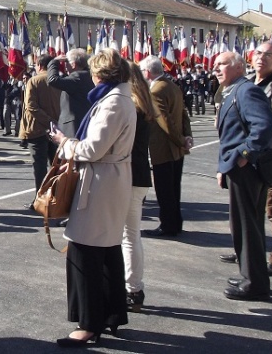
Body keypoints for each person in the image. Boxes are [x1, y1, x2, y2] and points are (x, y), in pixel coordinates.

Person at [49, 49, 136, 347]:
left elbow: (93, 149)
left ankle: (89, 323)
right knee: (107, 249)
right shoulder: (120, 99)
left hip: (101, 181)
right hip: (109, 178)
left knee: (85, 251)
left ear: (101, 74)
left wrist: (64, 143)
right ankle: (110, 315)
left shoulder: (113, 103)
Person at [219, 42, 272, 276]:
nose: (262, 58)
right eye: (258, 54)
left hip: (269, 161)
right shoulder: (245, 85)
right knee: (247, 213)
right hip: (248, 163)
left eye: (269, 55)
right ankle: (244, 253)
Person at [213, 51, 272, 301]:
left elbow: (263, 126)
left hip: (247, 170)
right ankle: (251, 275)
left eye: (222, 64)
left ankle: (255, 284)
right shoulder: (234, 90)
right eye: (215, 64)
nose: (216, 68)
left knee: (246, 226)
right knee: (246, 225)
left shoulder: (245, 90)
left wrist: (244, 154)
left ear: (239, 67)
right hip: (237, 168)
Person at [140, 55, 191, 237]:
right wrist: (186, 137)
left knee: (165, 190)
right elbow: (183, 114)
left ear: (147, 72)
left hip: (164, 148)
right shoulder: (172, 86)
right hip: (176, 149)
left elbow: (165, 122)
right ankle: (175, 223)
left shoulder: (156, 91)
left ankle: (168, 225)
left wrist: (181, 140)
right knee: (174, 189)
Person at [122, 62, 155, 312]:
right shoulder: (144, 104)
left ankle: (133, 288)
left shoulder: (130, 106)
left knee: (128, 237)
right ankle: (134, 288)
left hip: (129, 175)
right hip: (140, 174)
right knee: (132, 236)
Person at [19, 55, 61, 193]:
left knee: (40, 167)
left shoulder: (34, 81)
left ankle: (41, 197)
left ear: (39, 65)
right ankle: (56, 195)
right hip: (56, 130)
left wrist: (48, 120)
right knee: (56, 166)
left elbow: (31, 106)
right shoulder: (58, 81)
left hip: (37, 129)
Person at [47, 48, 94, 138]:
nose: (65, 66)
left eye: (66, 63)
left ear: (73, 64)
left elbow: (52, 80)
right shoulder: (87, 75)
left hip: (73, 126)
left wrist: (54, 61)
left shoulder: (77, 77)